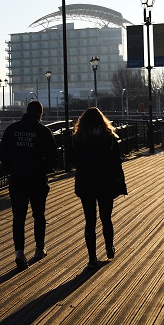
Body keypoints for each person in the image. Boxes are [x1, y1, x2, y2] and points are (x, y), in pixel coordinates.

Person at [0, 100, 58, 270]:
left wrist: (12, 169)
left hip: (17, 179)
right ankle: (39, 249)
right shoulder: (43, 131)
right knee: (39, 215)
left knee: (18, 217)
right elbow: (53, 155)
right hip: (37, 179)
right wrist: (44, 170)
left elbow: (3, 154)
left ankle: (19, 252)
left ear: (26, 111)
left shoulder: (12, 129)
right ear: (40, 114)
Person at [71, 107, 127, 269]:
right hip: (106, 182)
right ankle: (109, 247)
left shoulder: (78, 138)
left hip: (86, 182)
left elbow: (71, 160)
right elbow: (116, 160)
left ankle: (92, 258)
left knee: (90, 221)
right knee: (106, 218)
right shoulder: (108, 137)